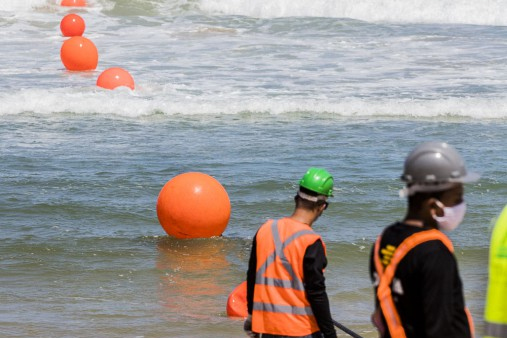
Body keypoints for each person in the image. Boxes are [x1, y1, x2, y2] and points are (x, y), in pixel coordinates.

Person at [369, 141, 478, 338]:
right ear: (432, 205)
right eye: (457, 197)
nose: (461, 204)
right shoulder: (435, 253)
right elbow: (438, 329)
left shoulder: (384, 240)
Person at [244, 167, 337, 338]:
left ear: (296, 198)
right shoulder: (311, 241)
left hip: (266, 328)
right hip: (301, 330)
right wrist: (330, 334)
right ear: (322, 206)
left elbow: (252, 277)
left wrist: (252, 315)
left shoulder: (265, 230)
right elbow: (317, 294)